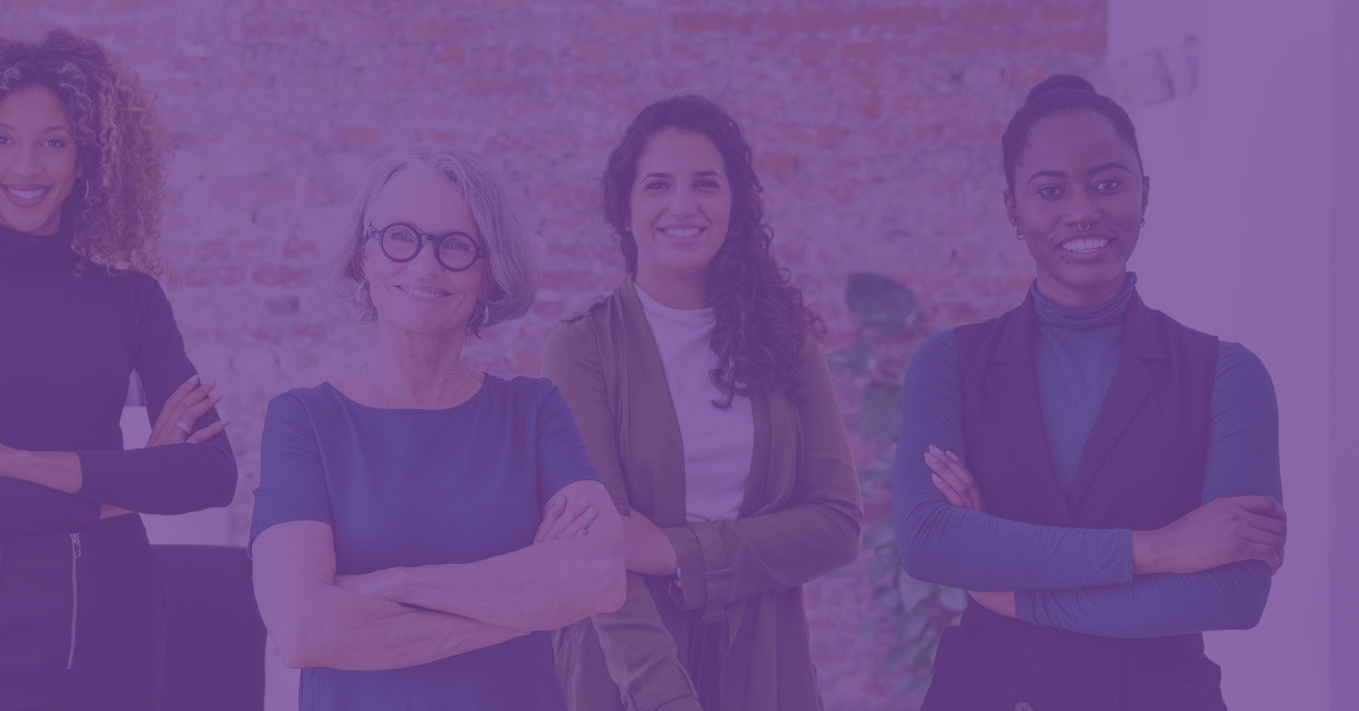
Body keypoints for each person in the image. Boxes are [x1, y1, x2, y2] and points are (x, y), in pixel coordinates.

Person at [892, 75, 1286, 711]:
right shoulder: (950, 365)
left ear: (1144, 193)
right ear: (1013, 210)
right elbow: (930, 540)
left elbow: (1234, 593)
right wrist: (1160, 547)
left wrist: (1012, 586)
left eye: (1108, 183)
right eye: (1051, 191)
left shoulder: (1228, 375)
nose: (1083, 210)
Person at [0, 30, 237, 710]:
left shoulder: (131, 296)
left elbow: (211, 471)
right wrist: (127, 490)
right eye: (1, 138)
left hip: (117, 619)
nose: (26, 167)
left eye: (54, 141)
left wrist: (7, 458)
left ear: (86, 157)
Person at [250, 145, 626, 711]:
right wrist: (525, 604)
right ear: (363, 255)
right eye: (400, 237)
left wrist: (397, 585)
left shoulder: (532, 410)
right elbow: (304, 630)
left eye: (456, 247)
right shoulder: (304, 421)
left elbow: (599, 576)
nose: (425, 266)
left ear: (488, 271)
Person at [546, 95, 862, 711]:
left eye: (706, 184)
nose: (682, 205)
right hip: (626, 671)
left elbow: (837, 524)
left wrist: (676, 551)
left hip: (766, 665)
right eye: (658, 184)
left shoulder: (783, 337)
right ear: (627, 207)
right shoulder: (582, 346)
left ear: (734, 204)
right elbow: (597, 552)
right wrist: (666, 699)